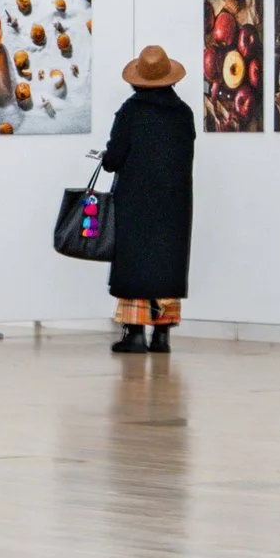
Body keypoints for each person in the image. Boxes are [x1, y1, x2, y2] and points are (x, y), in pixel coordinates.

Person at [102, 45, 195, 353]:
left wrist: (107, 158)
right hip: (174, 202)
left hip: (135, 200)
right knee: (167, 261)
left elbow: (114, 158)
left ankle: (135, 334)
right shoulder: (183, 114)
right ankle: (162, 335)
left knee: (135, 261)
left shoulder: (131, 112)